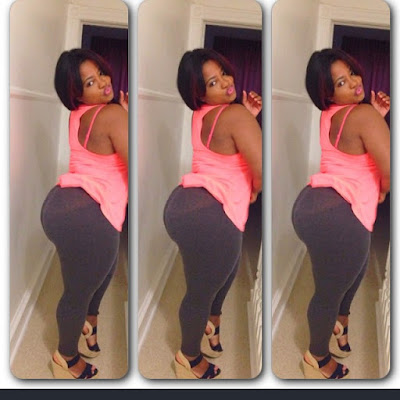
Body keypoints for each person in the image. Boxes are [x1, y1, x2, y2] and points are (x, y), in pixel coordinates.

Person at [163, 48, 262, 379]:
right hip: (212, 212)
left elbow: (224, 147)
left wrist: (246, 117)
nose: (226, 82)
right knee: (204, 287)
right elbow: (261, 168)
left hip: (187, 204)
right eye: (213, 82)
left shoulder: (203, 113)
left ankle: (211, 325)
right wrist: (254, 190)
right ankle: (188, 356)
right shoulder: (234, 115)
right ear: (200, 93)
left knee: (221, 275)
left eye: (223, 73)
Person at [291, 48, 390, 379]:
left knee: (352, 274)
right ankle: (316, 358)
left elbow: (353, 147)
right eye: (342, 82)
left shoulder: (332, 114)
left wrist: (375, 117)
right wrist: (382, 190)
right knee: (332, 288)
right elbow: (390, 168)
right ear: (328, 93)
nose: (355, 82)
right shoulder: (362, 115)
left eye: (351, 73)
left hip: (316, 204)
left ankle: (339, 325)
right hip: (340, 212)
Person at [40, 48, 129, 379]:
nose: (103, 82)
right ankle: (65, 357)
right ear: (76, 93)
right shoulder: (112, 114)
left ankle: (88, 326)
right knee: (80, 289)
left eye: (101, 73)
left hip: (65, 204)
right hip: (90, 212)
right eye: (90, 82)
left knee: (103, 273)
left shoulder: (80, 113)